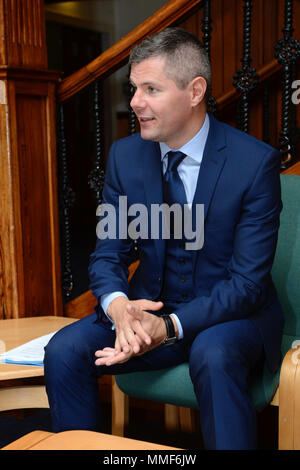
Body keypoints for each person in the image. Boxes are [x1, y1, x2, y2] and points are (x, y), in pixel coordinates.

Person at [44, 27, 284, 450]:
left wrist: (168, 327)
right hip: (148, 307)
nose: (135, 102)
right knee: (64, 350)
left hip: (229, 319)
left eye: (151, 88)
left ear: (194, 91)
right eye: (134, 88)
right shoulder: (125, 156)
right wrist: (118, 307)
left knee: (214, 352)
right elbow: (107, 252)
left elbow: (246, 286)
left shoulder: (254, 164)